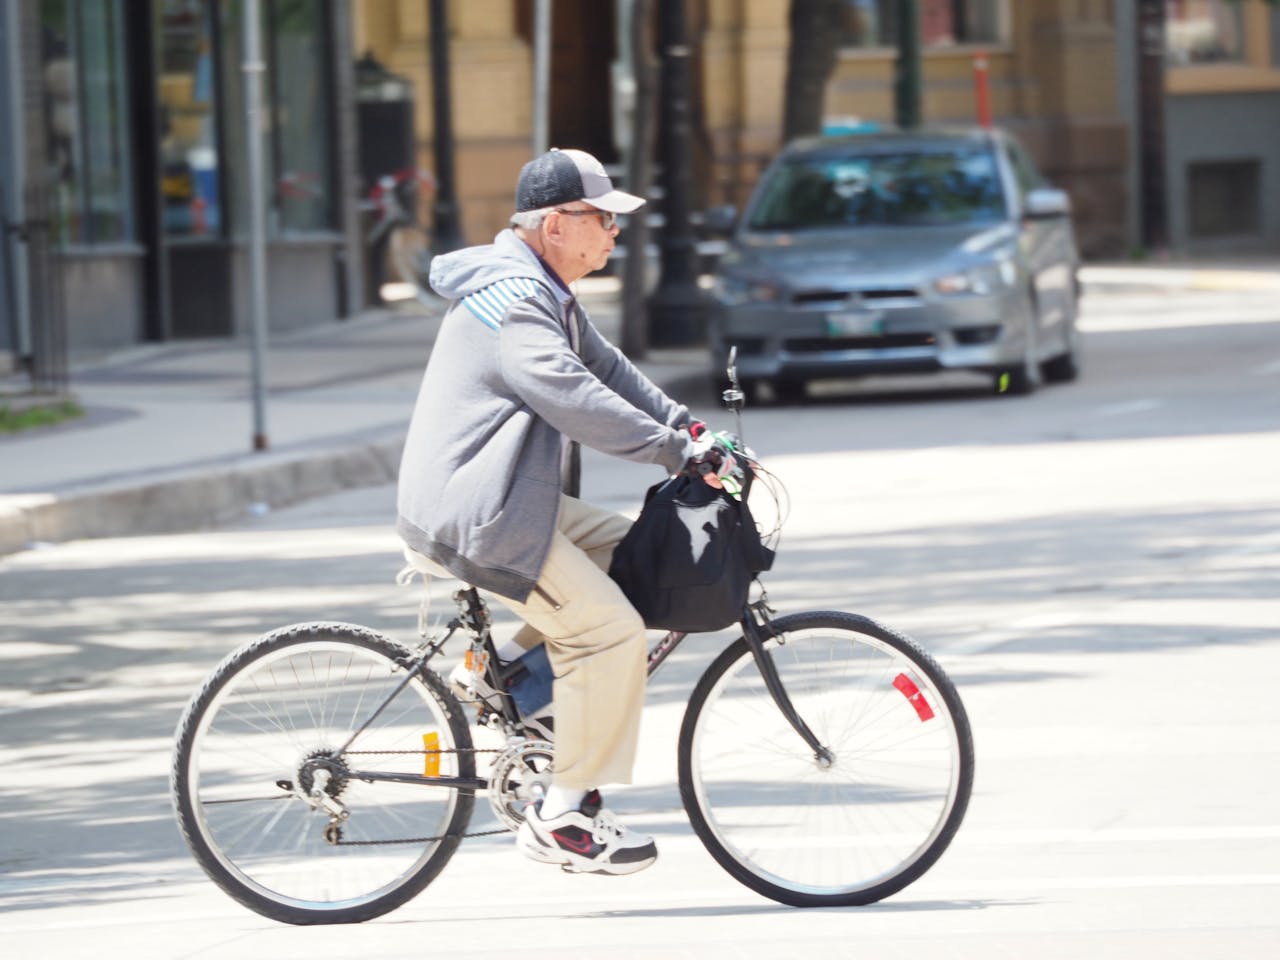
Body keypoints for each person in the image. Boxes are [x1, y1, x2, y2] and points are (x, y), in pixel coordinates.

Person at [396, 148, 729, 876]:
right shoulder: (517, 298)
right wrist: (671, 452)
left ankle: (500, 666)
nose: (615, 233)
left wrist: (692, 430)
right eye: (604, 218)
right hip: (479, 511)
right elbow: (568, 394)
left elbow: (607, 371)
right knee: (607, 630)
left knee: (644, 557)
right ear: (556, 224)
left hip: (508, 496)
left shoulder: (548, 292)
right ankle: (564, 814)